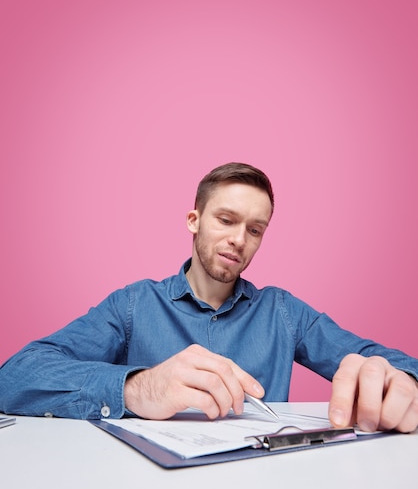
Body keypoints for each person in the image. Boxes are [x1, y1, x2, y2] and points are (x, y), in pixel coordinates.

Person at [1, 162, 417, 433]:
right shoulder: (132, 305)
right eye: (226, 220)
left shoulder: (284, 312)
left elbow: (383, 361)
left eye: (255, 230)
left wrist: (401, 382)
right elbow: (14, 376)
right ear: (194, 220)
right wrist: (137, 388)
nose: (239, 239)